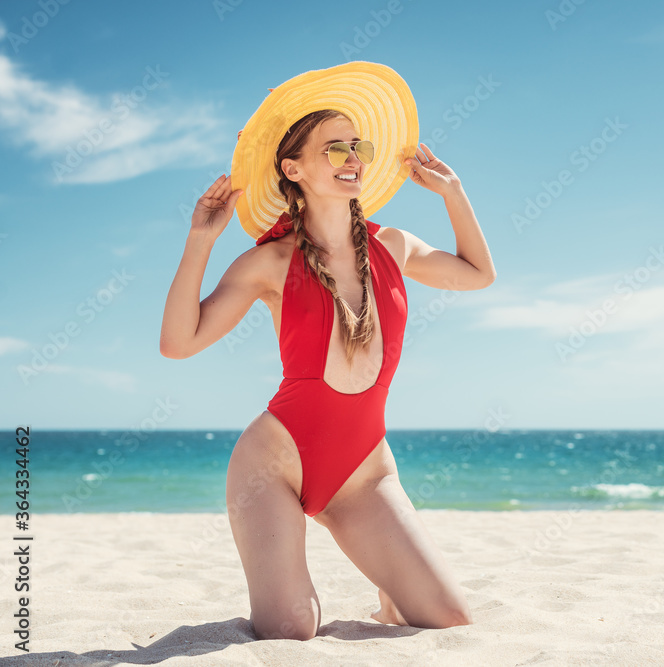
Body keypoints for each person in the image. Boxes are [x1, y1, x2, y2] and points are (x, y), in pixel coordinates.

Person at [159, 62, 495, 640]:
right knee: (292, 630)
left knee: (448, 619)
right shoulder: (269, 262)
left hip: (363, 473)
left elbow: (478, 274)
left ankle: (392, 590)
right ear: (293, 168)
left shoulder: (394, 245)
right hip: (274, 468)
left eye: (356, 146)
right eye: (333, 148)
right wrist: (200, 242)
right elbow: (178, 343)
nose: (352, 159)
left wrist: (453, 193)